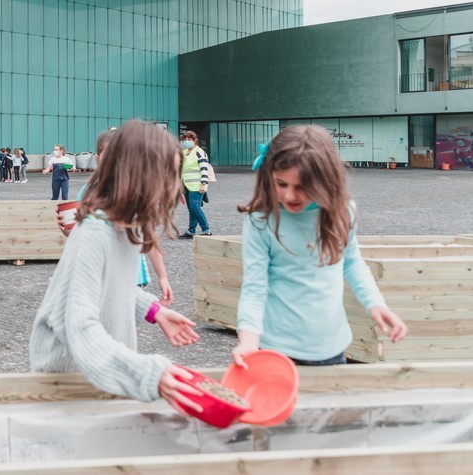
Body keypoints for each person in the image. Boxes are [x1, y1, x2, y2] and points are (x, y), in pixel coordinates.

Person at [30, 120, 202, 408]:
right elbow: (78, 325)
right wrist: (149, 374)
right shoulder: (94, 233)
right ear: (137, 175)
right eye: (167, 174)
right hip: (68, 386)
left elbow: (110, 286)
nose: (175, 185)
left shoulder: (127, 227)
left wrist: (152, 310)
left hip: (97, 376)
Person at [232, 125, 408, 368]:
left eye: (302, 187)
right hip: (275, 349)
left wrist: (375, 303)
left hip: (331, 348)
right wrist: (248, 338)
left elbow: (352, 262)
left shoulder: (343, 211)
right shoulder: (260, 220)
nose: (290, 196)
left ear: (325, 180)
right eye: (281, 184)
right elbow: (254, 285)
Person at [58, 128, 174, 306]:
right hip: (97, 274)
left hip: (129, 275)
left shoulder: (135, 193)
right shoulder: (88, 192)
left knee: (122, 326)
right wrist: (66, 229)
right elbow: (78, 233)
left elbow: (148, 236)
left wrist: (163, 277)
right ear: (98, 158)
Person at [178, 131, 211, 238]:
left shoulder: (199, 152)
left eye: (190, 139)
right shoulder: (184, 152)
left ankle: (206, 229)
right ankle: (191, 231)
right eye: (185, 139)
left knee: (195, 208)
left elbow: (204, 169)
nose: (187, 141)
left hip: (197, 186)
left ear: (195, 140)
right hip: (187, 185)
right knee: (191, 209)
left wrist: (203, 184)